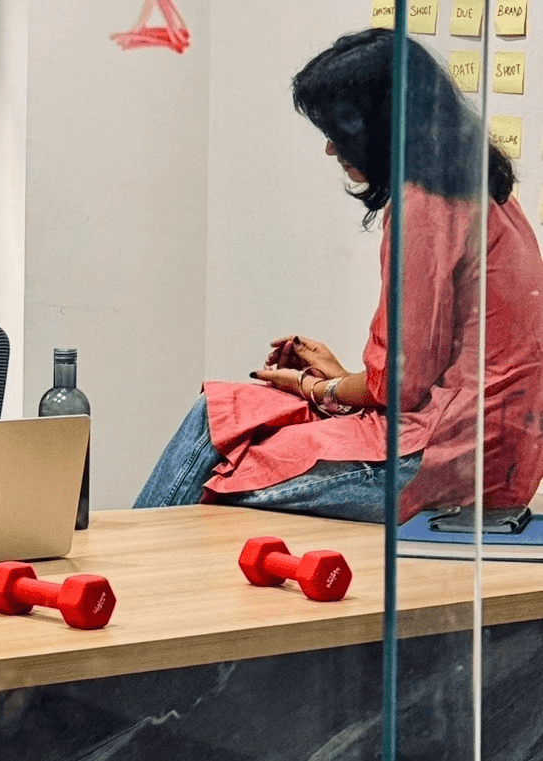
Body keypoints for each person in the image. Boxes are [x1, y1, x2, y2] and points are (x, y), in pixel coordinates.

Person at [135, 28, 543, 523]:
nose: (331, 148)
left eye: (339, 133)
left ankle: (128, 564)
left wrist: (318, 388)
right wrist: (341, 378)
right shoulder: (483, 188)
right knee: (226, 414)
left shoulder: (423, 204)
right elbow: (423, 371)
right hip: (485, 447)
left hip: (441, 458)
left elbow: (401, 386)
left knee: (218, 457)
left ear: (378, 128)